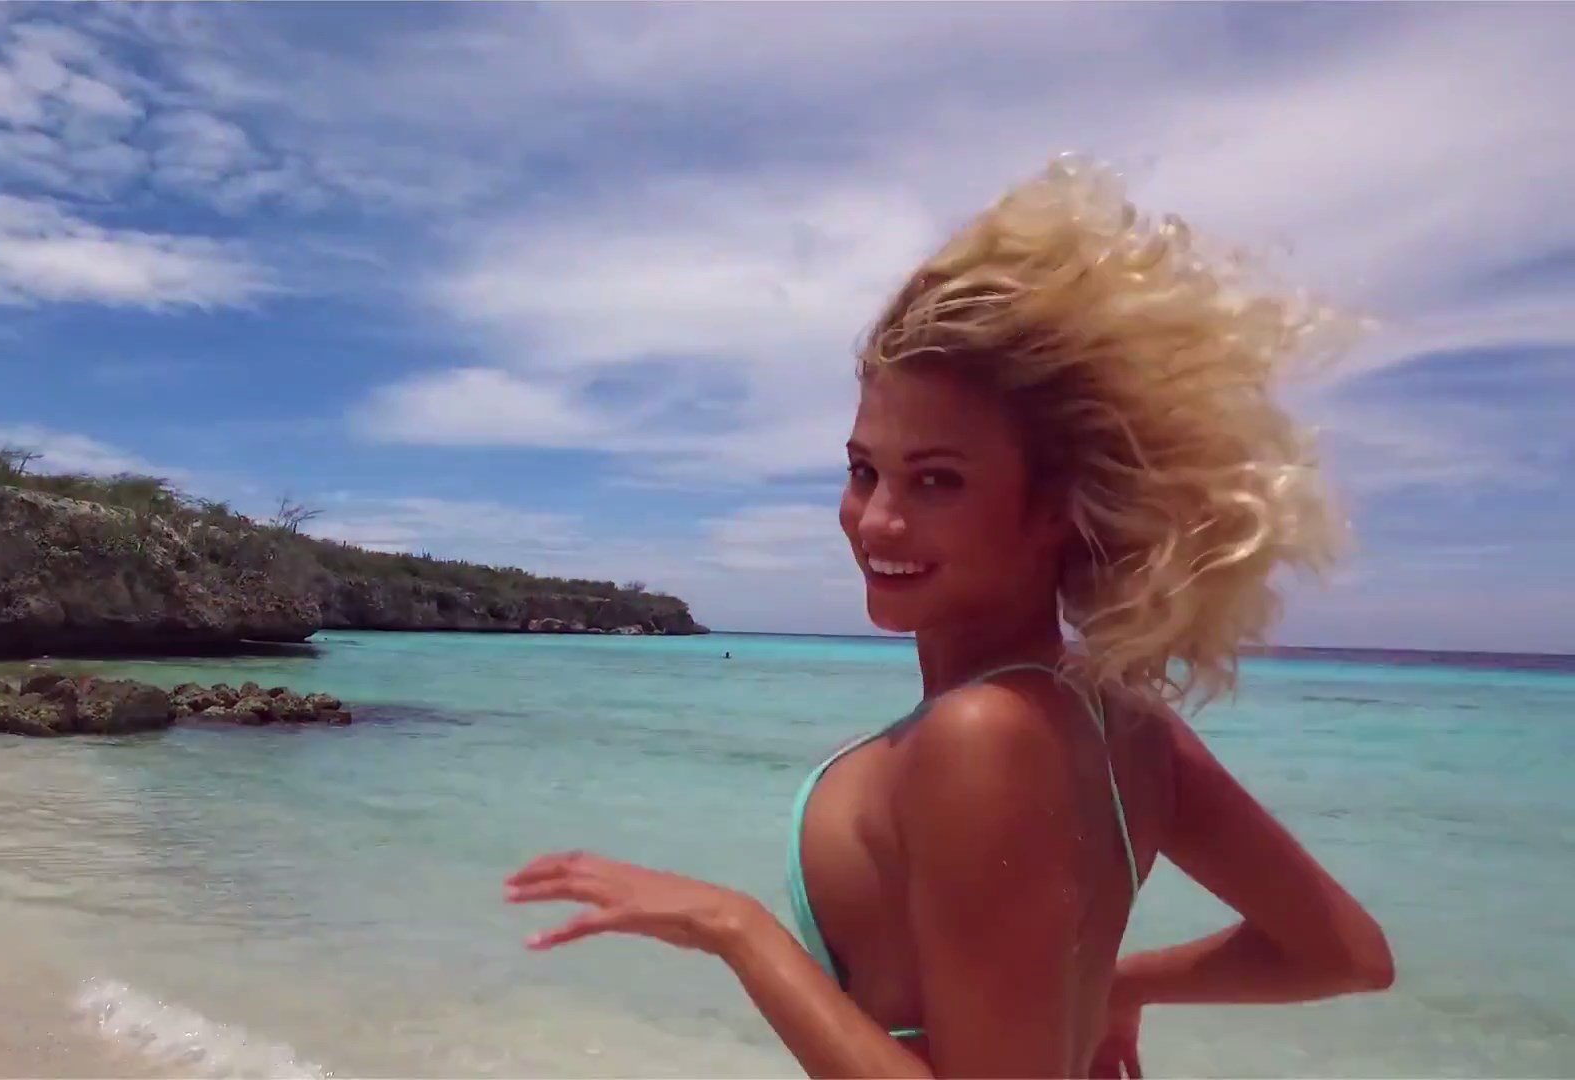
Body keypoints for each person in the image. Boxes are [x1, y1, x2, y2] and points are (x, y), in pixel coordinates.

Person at [504, 157, 1395, 1078]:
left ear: (1057, 506)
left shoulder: (981, 735)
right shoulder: (1125, 720)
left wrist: (737, 929)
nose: (877, 521)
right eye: (864, 471)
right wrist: (1113, 987)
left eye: (937, 481)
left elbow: (1349, 958)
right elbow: (1341, 954)